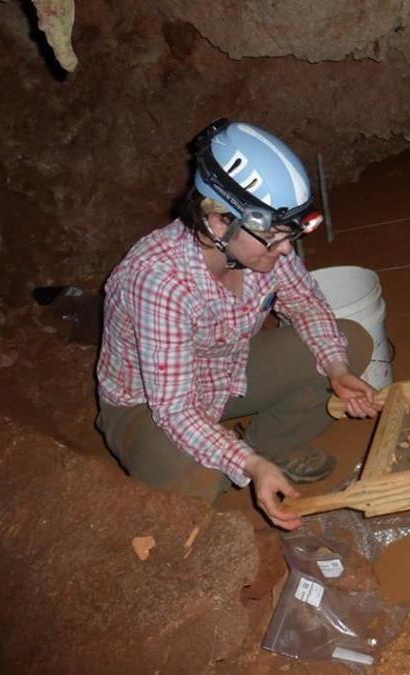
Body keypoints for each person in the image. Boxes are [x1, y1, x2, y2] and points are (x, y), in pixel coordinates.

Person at [96, 119, 382, 531]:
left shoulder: (263, 249)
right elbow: (175, 410)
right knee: (197, 475)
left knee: (349, 341)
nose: (287, 249)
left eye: (292, 233)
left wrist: (337, 370)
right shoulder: (158, 280)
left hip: (223, 372)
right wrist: (247, 464)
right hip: (148, 404)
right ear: (217, 222)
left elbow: (306, 304)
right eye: (275, 237)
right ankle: (238, 470)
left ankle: (271, 447)